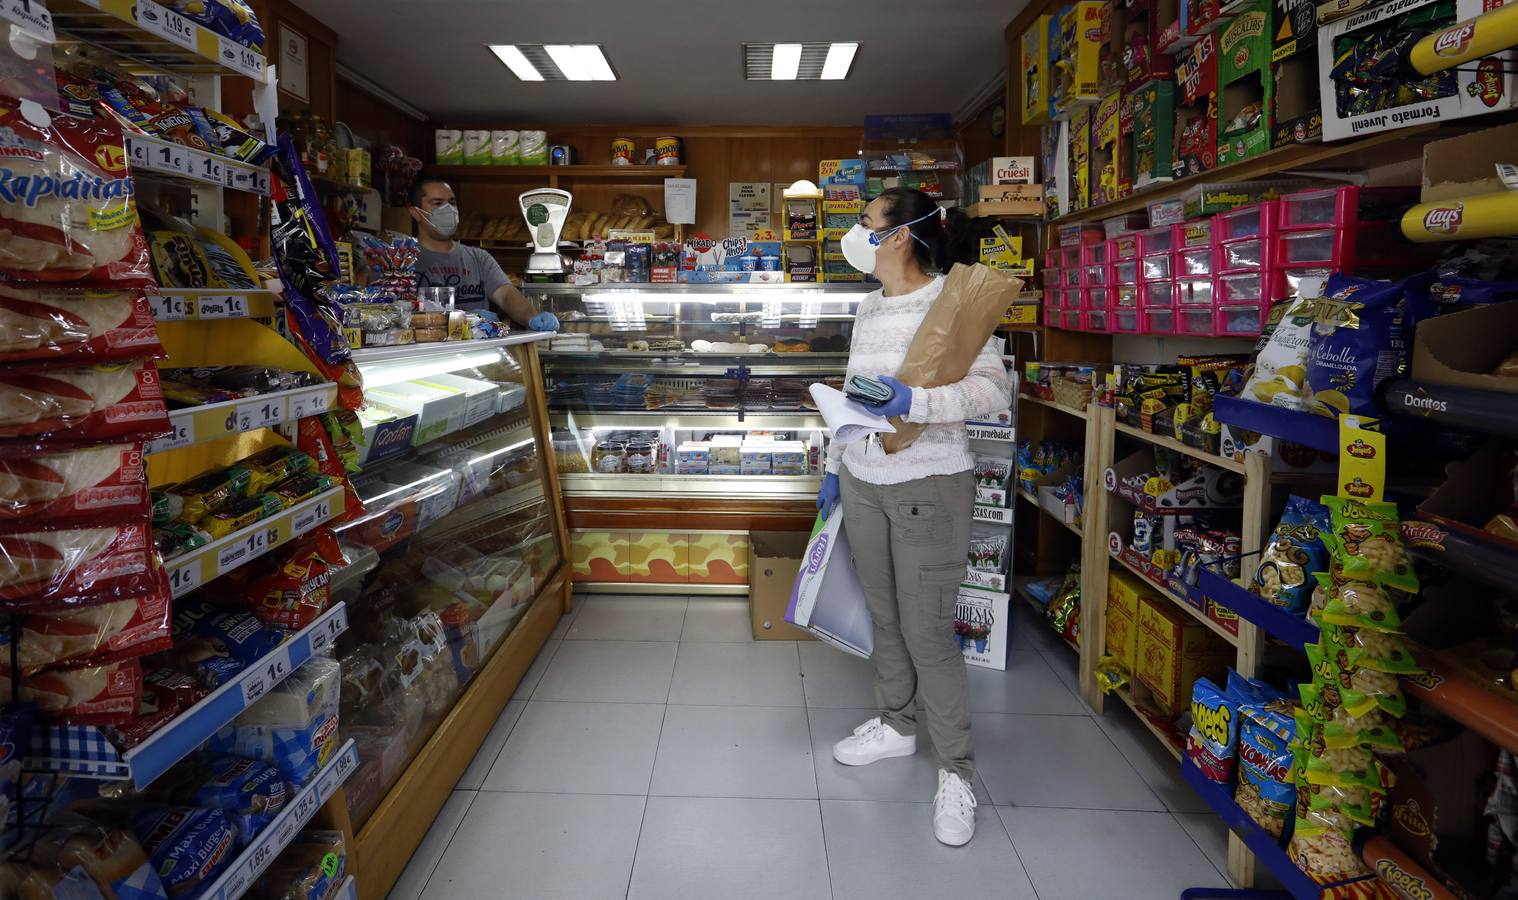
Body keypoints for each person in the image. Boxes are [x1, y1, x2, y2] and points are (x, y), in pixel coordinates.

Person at [818, 187, 1012, 847]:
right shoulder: (868, 307)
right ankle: (897, 726)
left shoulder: (951, 303)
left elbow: (991, 390)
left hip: (929, 482)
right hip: (864, 478)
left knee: (929, 632)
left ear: (899, 235)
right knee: (887, 617)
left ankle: (956, 771)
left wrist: (915, 399)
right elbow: (850, 392)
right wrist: (832, 465)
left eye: (865, 221)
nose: (856, 231)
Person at [409, 177, 559, 331]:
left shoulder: (479, 257)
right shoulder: (404, 260)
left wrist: (531, 317)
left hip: (478, 351)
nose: (447, 209)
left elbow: (506, 295)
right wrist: (464, 318)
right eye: (437, 203)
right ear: (415, 212)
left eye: (452, 203)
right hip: (427, 350)